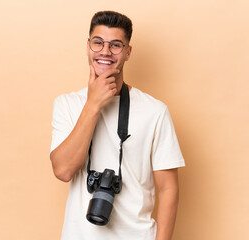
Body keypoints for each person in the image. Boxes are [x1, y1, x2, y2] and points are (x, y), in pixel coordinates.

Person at [50, 10, 185, 240]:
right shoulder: (67, 104)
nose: (105, 51)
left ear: (128, 52)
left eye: (115, 45)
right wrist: (93, 104)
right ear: (88, 46)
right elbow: (63, 170)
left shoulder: (155, 111)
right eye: (98, 42)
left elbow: (168, 189)